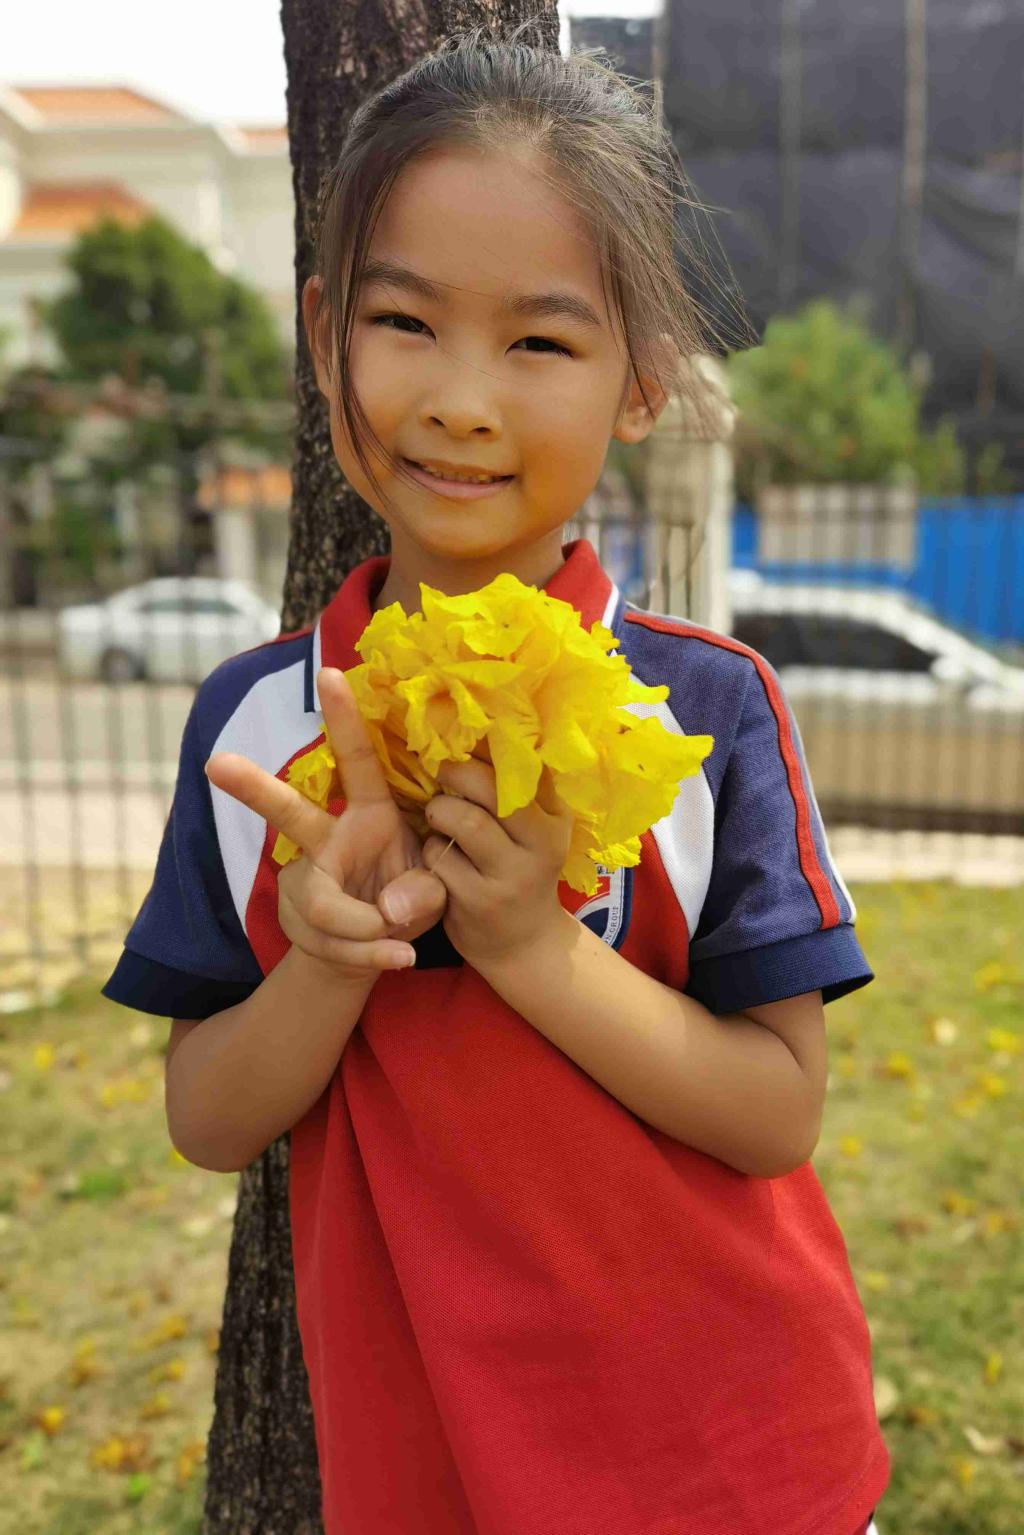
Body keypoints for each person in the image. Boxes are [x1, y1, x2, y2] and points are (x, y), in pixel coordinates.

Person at [102, 24, 889, 1535]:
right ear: (326, 335)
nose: (464, 400)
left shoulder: (703, 711)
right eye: (405, 322)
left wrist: (530, 944)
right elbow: (207, 1117)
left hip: (737, 1460)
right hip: (426, 1476)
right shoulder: (260, 729)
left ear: (641, 381)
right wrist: (329, 958)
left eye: (540, 343)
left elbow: (778, 1113)